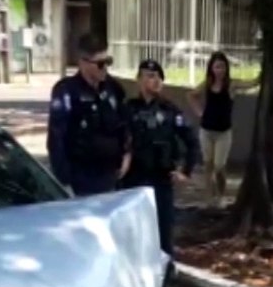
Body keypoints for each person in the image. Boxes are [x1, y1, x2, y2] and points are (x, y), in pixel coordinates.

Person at [122, 59, 199, 256]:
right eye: (149, 76)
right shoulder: (128, 109)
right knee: (134, 233)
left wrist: (186, 172)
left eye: (158, 77)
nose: (155, 81)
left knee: (163, 235)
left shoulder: (170, 110)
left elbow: (192, 141)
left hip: (161, 180)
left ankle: (165, 277)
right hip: (134, 180)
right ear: (139, 80)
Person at [47, 34, 130, 196]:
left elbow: (124, 124)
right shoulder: (67, 91)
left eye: (108, 62)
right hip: (81, 180)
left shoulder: (113, 88)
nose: (105, 68)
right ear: (83, 63)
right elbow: (56, 139)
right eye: (100, 64)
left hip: (110, 177)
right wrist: (64, 181)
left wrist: (127, 153)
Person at [187, 51, 256, 206]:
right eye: (217, 66)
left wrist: (260, 77)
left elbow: (250, 84)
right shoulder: (207, 83)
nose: (220, 70)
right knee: (207, 165)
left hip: (223, 133)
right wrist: (199, 112)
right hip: (206, 130)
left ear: (226, 68)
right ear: (211, 68)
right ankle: (208, 198)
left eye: (222, 66)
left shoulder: (231, 84)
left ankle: (221, 195)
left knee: (219, 166)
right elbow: (191, 95)